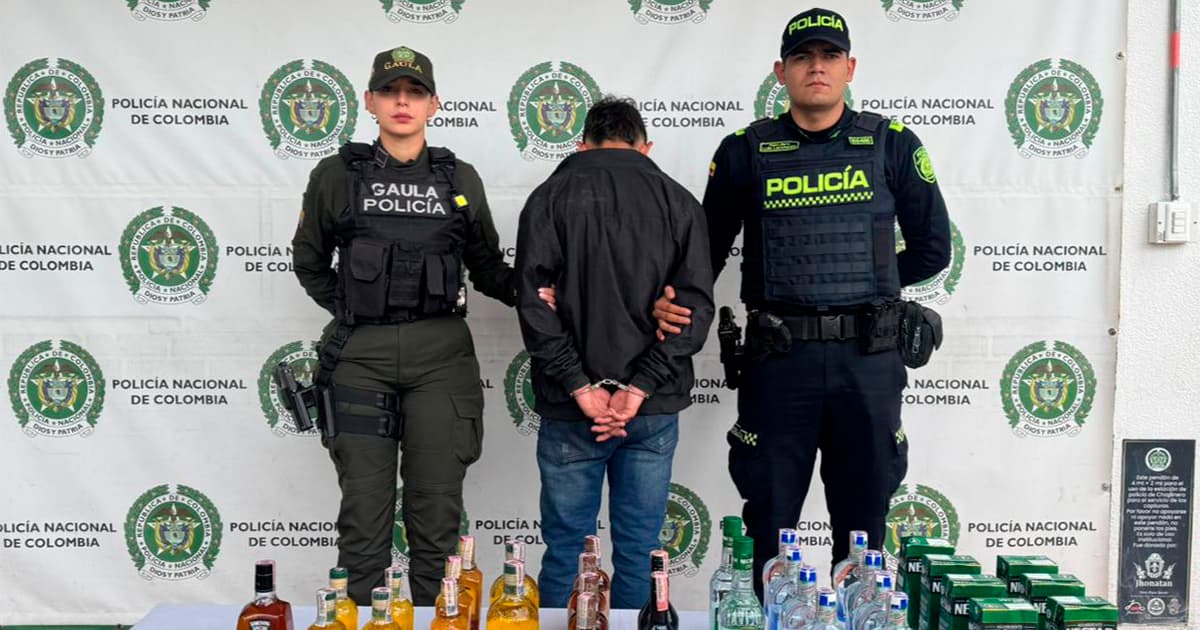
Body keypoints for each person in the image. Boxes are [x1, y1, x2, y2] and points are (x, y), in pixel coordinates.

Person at [654, 8, 951, 595]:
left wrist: (869, 283)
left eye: (829, 56)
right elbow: (704, 255)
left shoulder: (891, 144)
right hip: (779, 359)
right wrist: (671, 301)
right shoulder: (744, 151)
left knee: (864, 525)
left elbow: (933, 249)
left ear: (850, 68)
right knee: (770, 521)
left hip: (868, 357)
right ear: (781, 72)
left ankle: (859, 614)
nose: (817, 67)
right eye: (803, 57)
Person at [290, 45, 516, 606]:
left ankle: (439, 617)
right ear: (369, 101)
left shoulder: (459, 177)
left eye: (415, 92)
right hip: (360, 358)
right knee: (364, 516)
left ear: (434, 104)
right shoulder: (336, 175)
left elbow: (487, 267)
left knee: (437, 515)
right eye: (390, 91)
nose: (402, 102)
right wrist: (357, 307)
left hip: (441, 357)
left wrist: (544, 293)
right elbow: (309, 262)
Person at [514, 97, 715, 609]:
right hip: (649, 409)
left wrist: (580, 386)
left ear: (582, 145)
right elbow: (693, 312)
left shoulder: (548, 197)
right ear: (646, 147)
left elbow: (534, 307)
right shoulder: (679, 202)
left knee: (566, 549)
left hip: (572, 407)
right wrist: (638, 388)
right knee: (640, 550)